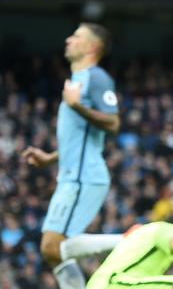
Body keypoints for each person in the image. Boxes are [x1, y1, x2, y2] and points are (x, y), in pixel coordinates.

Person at [21, 23, 120, 289]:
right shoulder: (76, 81)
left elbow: (113, 123)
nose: (68, 40)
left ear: (91, 47)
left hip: (83, 178)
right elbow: (78, 139)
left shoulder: (96, 78)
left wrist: (77, 106)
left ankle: (130, 239)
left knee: (52, 247)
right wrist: (51, 158)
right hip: (72, 175)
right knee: (54, 253)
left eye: (76, 36)